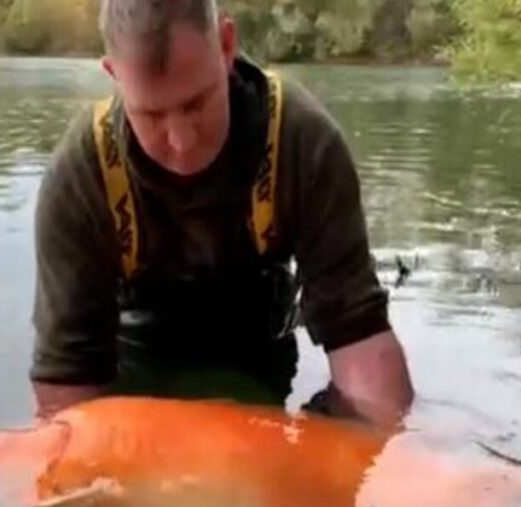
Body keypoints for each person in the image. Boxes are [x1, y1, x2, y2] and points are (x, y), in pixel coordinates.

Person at [29, 0, 415, 430]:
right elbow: (67, 385)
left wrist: (384, 451)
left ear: (227, 45)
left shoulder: (303, 140)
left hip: (259, 355)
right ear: (114, 75)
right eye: (152, 114)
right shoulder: (81, 174)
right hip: (136, 362)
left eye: (197, 104)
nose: (181, 141)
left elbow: (358, 335)